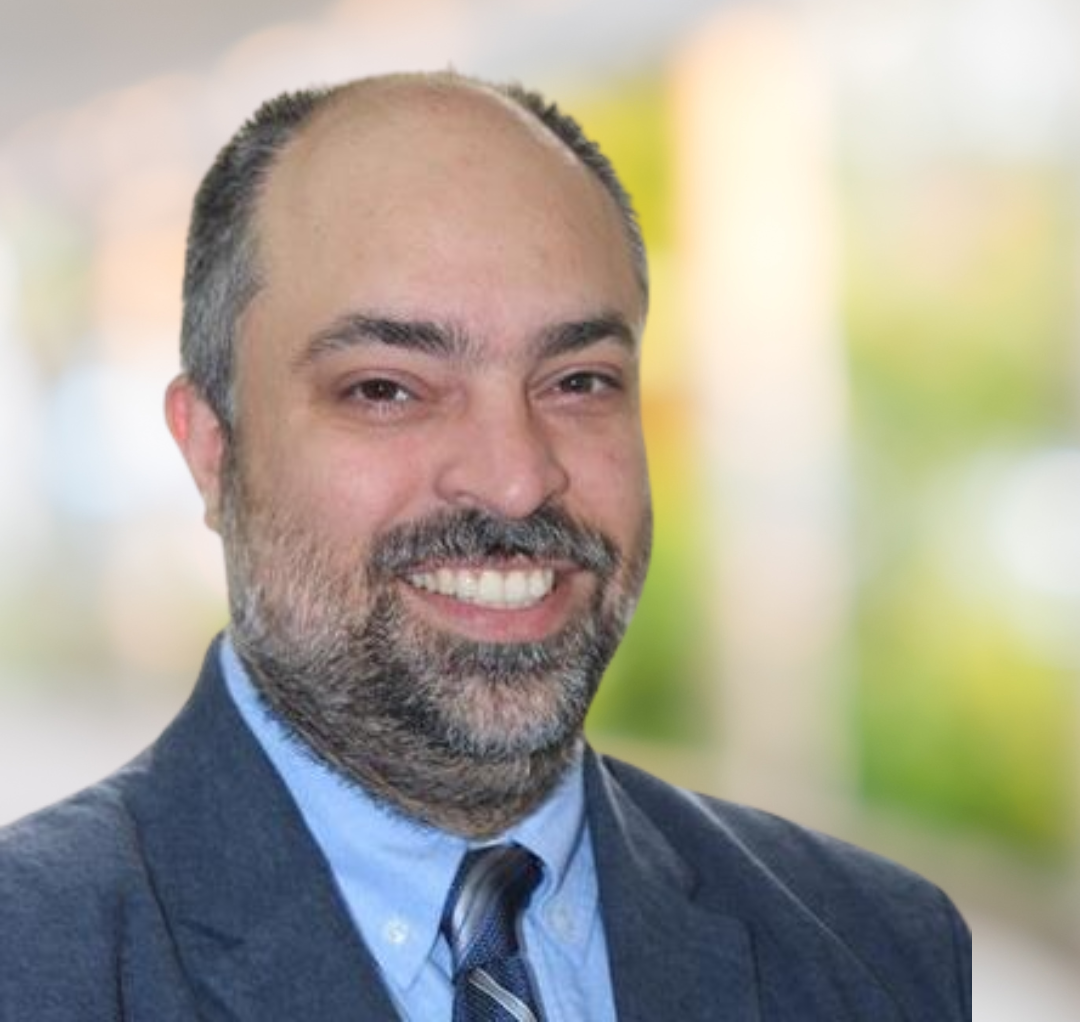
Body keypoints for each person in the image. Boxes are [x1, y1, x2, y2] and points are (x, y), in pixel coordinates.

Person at [0, 71, 971, 1021]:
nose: (514, 479)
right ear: (213, 449)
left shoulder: (885, 952)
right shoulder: (32, 961)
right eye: (386, 388)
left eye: (579, 381)